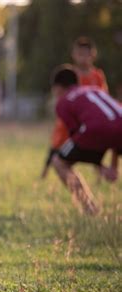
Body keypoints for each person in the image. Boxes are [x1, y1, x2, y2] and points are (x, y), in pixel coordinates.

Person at [48, 65, 121, 214]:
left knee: (58, 162)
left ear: (57, 88)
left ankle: (90, 208)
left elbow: (78, 135)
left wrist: (99, 165)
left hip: (95, 130)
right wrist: (114, 166)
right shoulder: (95, 90)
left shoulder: (63, 102)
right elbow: (115, 126)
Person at [42, 37, 109, 178]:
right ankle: (44, 174)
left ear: (93, 55)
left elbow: (104, 96)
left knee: (94, 145)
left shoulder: (97, 75)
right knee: (57, 144)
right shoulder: (69, 74)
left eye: (86, 54)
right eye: (79, 54)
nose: (82, 58)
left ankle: (99, 174)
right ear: (73, 54)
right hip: (69, 119)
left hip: (89, 120)